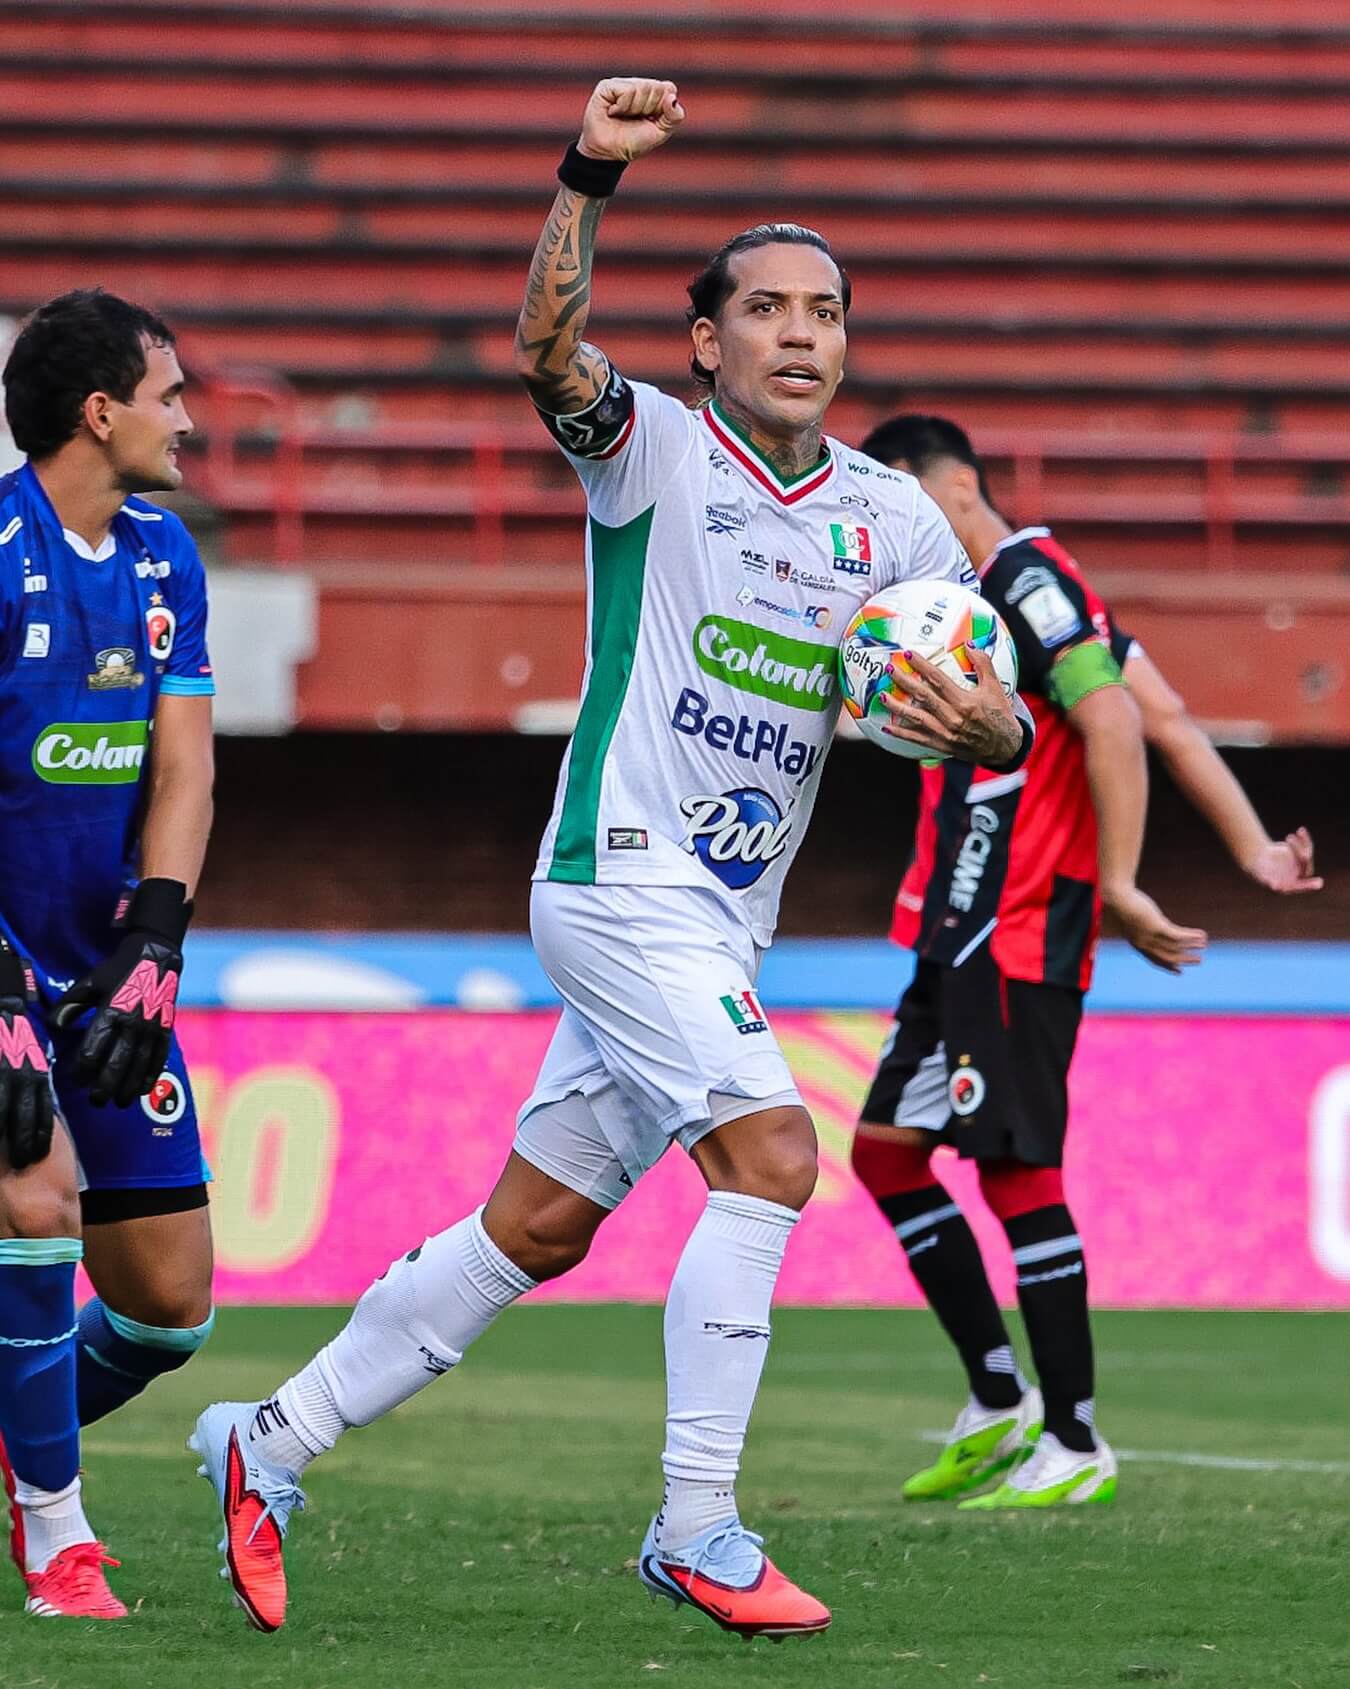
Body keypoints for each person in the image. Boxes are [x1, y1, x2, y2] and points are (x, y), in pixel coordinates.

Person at [189, 77, 1034, 1641]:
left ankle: (271, 1438)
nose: (799, 334)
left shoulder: (895, 525)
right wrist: (587, 171)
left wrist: (987, 725)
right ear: (705, 340)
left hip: (724, 919)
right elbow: (544, 352)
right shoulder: (651, 451)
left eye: (824, 312)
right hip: (616, 876)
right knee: (771, 1160)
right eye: (764, 309)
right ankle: (696, 1526)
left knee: (539, 1225)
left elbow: (977, 711)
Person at [849, 413, 1320, 1510]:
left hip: (1019, 927)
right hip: (961, 933)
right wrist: (1254, 845)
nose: (878, 522)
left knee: (1019, 1177)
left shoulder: (1028, 581)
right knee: (885, 1154)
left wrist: (1120, 883)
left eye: (890, 495)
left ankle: (1073, 1440)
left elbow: (1111, 719)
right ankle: (1000, 1400)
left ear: (948, 488)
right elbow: (1168, 717)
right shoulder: (990, 600)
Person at [0, 288, 216, 1618]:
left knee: (163, 1309)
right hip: (0, 966)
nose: (185, 421)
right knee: (36, 1202)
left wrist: (156, 935)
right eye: (168, 395)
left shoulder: (162, 554)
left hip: (101, 962)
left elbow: (184, 766)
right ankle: (56, 1539)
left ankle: (21, 1422)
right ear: (100, 411)